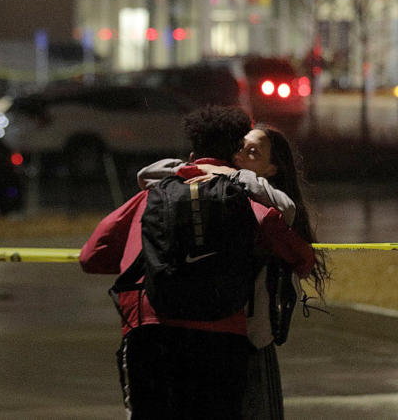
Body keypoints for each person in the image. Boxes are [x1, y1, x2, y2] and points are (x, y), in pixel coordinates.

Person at [80, 105, 315, 419]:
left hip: (148, 327)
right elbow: (301, 258)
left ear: (193, 150)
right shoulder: (244, 198)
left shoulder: (151, 195)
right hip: (219, 330)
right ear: (234, 152)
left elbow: (91, 256)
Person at [137, 122, 329, 419]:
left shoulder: (257, 200)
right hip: (208, 329)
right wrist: (202, 169)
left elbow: (294, 236)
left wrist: (232, 175)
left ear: (271, 169)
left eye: (252, 152)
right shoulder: (205, 189)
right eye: (240, 147)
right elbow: (146, 174)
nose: (240, 154)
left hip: (250, 335)